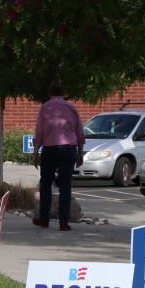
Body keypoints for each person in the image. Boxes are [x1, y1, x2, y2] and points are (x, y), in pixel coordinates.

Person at [31, 83, 84, 231]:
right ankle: (63, 223)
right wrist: (80, 154)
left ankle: (44, 219)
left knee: (46, 184)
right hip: (69, 149)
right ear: (63, 93)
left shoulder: (45, 108)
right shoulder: (72, 108)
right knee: (66, 186)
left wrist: (35, 154)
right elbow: (80, 133)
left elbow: (39, 132)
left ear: (49, 93)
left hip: (50, 149)